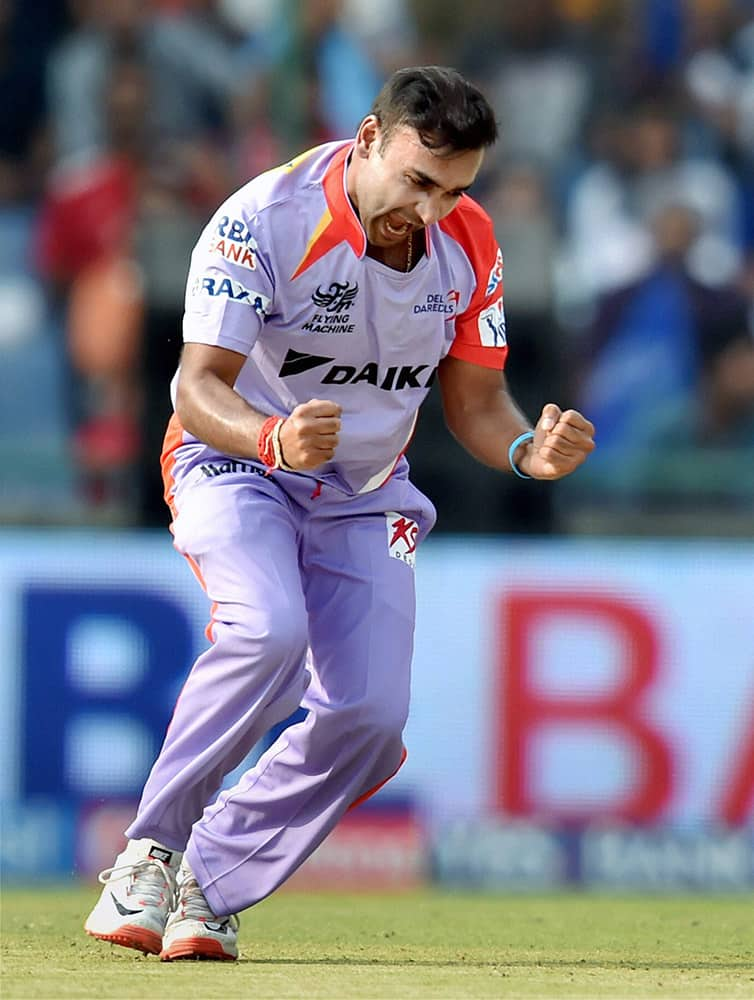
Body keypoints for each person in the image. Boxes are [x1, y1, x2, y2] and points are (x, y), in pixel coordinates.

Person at [84, 65, 595, 962]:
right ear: (366, 139)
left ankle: (210, 881)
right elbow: (195, 386)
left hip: (363, 493)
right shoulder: (262, 220)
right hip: (234, 464)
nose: (431, 212)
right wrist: (273, 438)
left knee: (368, 718)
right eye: (417, 181)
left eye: (455, 190)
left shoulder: (470, 242)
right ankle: (149, 852)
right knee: (268, 631)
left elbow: (477, 404)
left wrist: (525, 450)